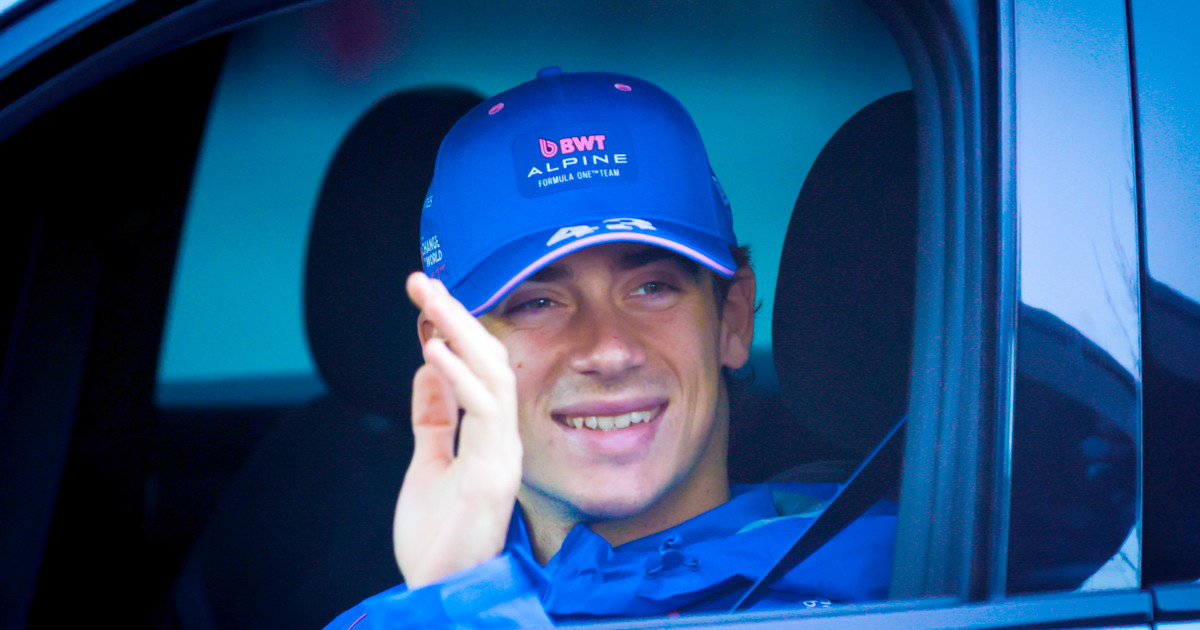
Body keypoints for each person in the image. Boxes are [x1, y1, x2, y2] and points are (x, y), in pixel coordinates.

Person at [323, 67, 896, 629]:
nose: (609, 350)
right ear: (452, 354)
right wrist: (459, 600)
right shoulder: (407, 617)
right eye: (536, 302)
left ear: (732, 318)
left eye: (652, 288)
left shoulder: (902, 586)